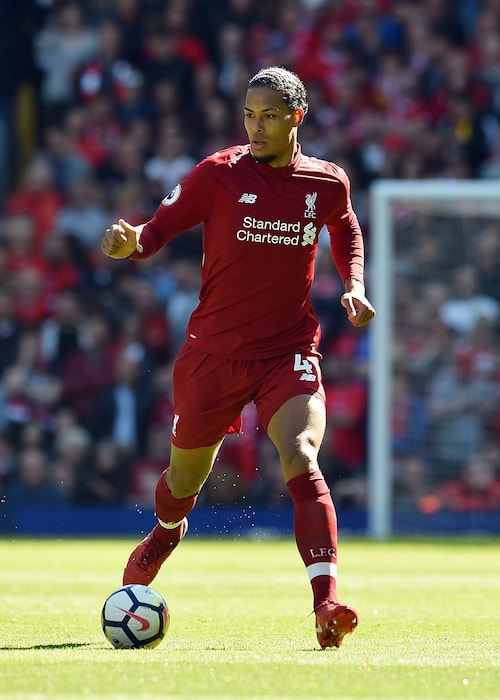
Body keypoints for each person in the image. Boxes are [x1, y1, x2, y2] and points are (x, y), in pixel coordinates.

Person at [101, 66, 376, 650]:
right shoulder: (219, 174)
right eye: (249, 115)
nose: (256, 126)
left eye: (269, 115)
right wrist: (133, 244)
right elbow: (158, 228)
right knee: (182, 481)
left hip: (288, 350)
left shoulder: (326, 182)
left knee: (300, 454)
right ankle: (167, 531)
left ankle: (325, 603)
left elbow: (346, 228)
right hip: (214, 354)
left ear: (296, 117)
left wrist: (353, 283)